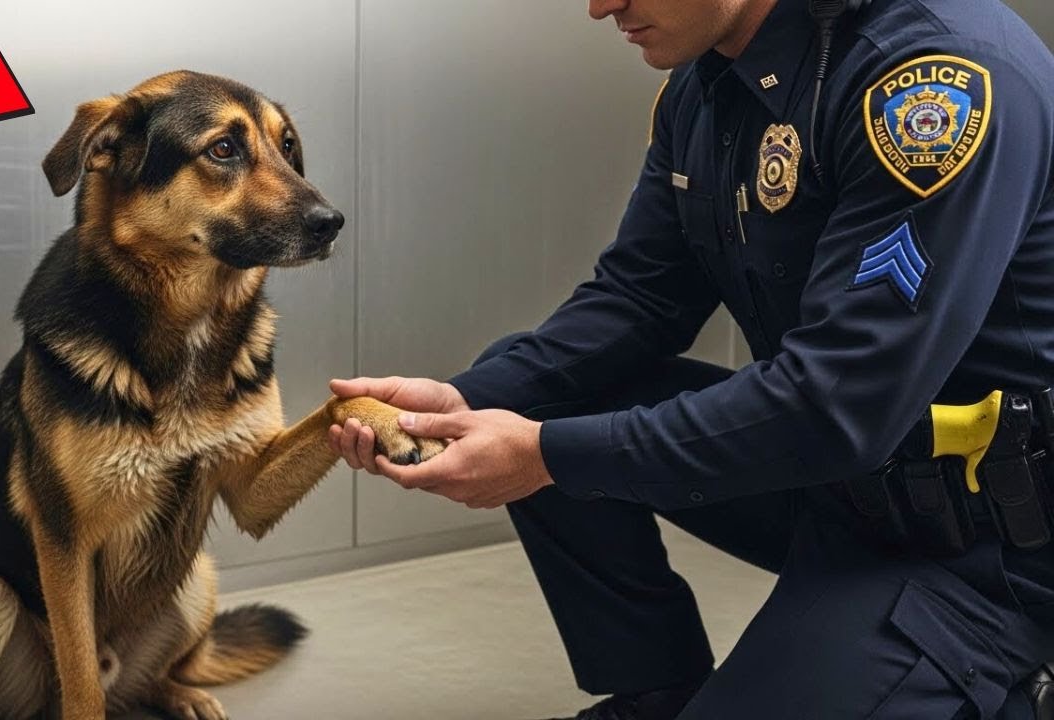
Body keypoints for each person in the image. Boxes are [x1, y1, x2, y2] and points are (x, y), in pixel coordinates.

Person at [328, 0, 1054, 717]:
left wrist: (547, 456)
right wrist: (460, 403)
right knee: (528, 392)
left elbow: (840, 404)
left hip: (988, 544)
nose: (600, 6)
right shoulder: (706, 86)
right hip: (841, 488)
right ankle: (657, 693)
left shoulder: (934, 83)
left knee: (551, 435)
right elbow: (639, 300)